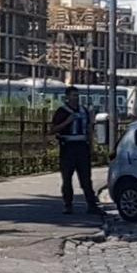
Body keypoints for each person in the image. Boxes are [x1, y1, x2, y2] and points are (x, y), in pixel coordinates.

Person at [50, 86, 101, 215]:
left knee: (86, 178)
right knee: (67, 178)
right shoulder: (62, 111)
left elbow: (89, 129)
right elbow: (53, 130)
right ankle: (68, 205)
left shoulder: (84, 111)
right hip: (68, 147)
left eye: (77, 96)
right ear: (67, 97)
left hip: (82, 147)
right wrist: (67, 122)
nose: (76, 98)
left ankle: (91, 205)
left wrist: (91, 146)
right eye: (73, 96)